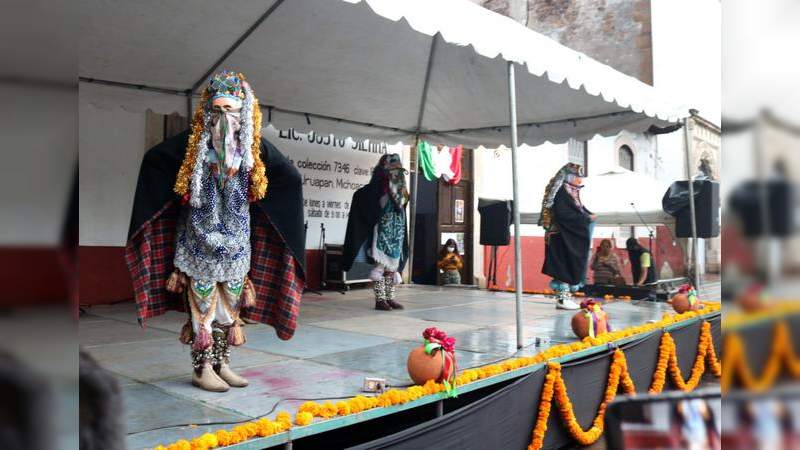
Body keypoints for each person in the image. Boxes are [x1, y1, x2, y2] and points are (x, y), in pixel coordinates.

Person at [125, 71, 306, 392]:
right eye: (218, 109)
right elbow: (155, 159)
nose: (225, 117)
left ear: (244, 112)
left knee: (229, 310)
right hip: (199, 244)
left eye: (232, 110)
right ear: (208, 112)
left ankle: (223, 364)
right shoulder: (192, 149)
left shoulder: (252, 151)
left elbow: (289, 176)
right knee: (203, 309)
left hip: (237, 245)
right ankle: (202, 368)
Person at [342, 154, 409, 311]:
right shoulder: (375, 188)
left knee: (392, 268)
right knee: (381, 266)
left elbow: (403, 202)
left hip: (396, 232)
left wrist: (397, 182)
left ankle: (390, 298)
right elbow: (367, 200)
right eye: (391, 166)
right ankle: (380, 300)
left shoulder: (399, 185)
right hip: (381, 232)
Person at [540, 163, 596, 309]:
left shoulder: (570, 191)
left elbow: (579, 211)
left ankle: (564, 299)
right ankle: (562, 299)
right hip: (560, 236)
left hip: (565, 236)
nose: (580, 181)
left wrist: (587, 216)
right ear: (570, 177)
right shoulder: (562, 193)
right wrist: (586, 219)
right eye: (578, 177)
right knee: (562, 268)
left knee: (565, 267)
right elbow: (564, 214)